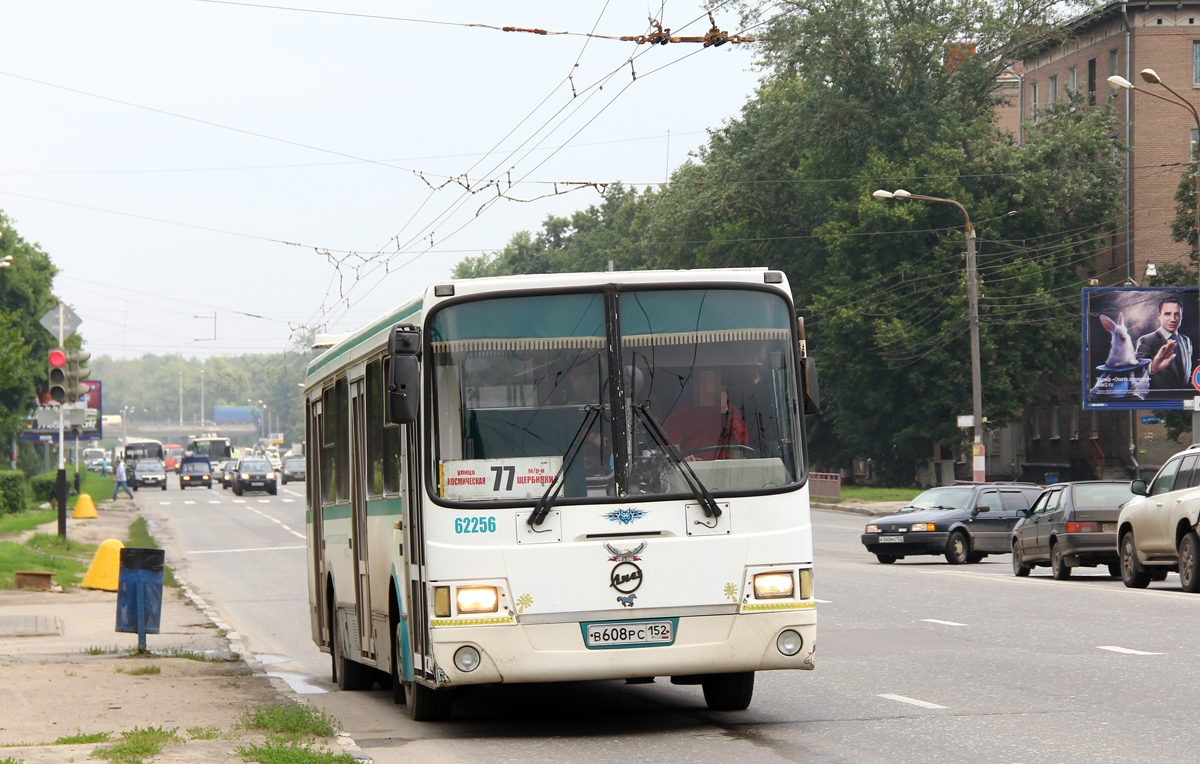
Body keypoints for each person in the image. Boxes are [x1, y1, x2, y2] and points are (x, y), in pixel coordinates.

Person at [662, 370, 748, 461]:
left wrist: (726, 413)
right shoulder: (682, 411)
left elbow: (742, 441)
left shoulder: (730, 408)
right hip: (692, 469)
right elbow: (669, 446)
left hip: (724, 468)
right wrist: (683, 456)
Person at [1135, 297, 1194, 400]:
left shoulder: (1186, 340)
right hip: (1158, 399)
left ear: (1181, 316)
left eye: (1177, 314)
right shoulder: (1147, 340)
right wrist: (1153, 367)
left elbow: (1186, 372)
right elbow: (1136, 371)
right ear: (1159, 316)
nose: (1172, 319)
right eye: (1167, 314)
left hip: (1184, 398)